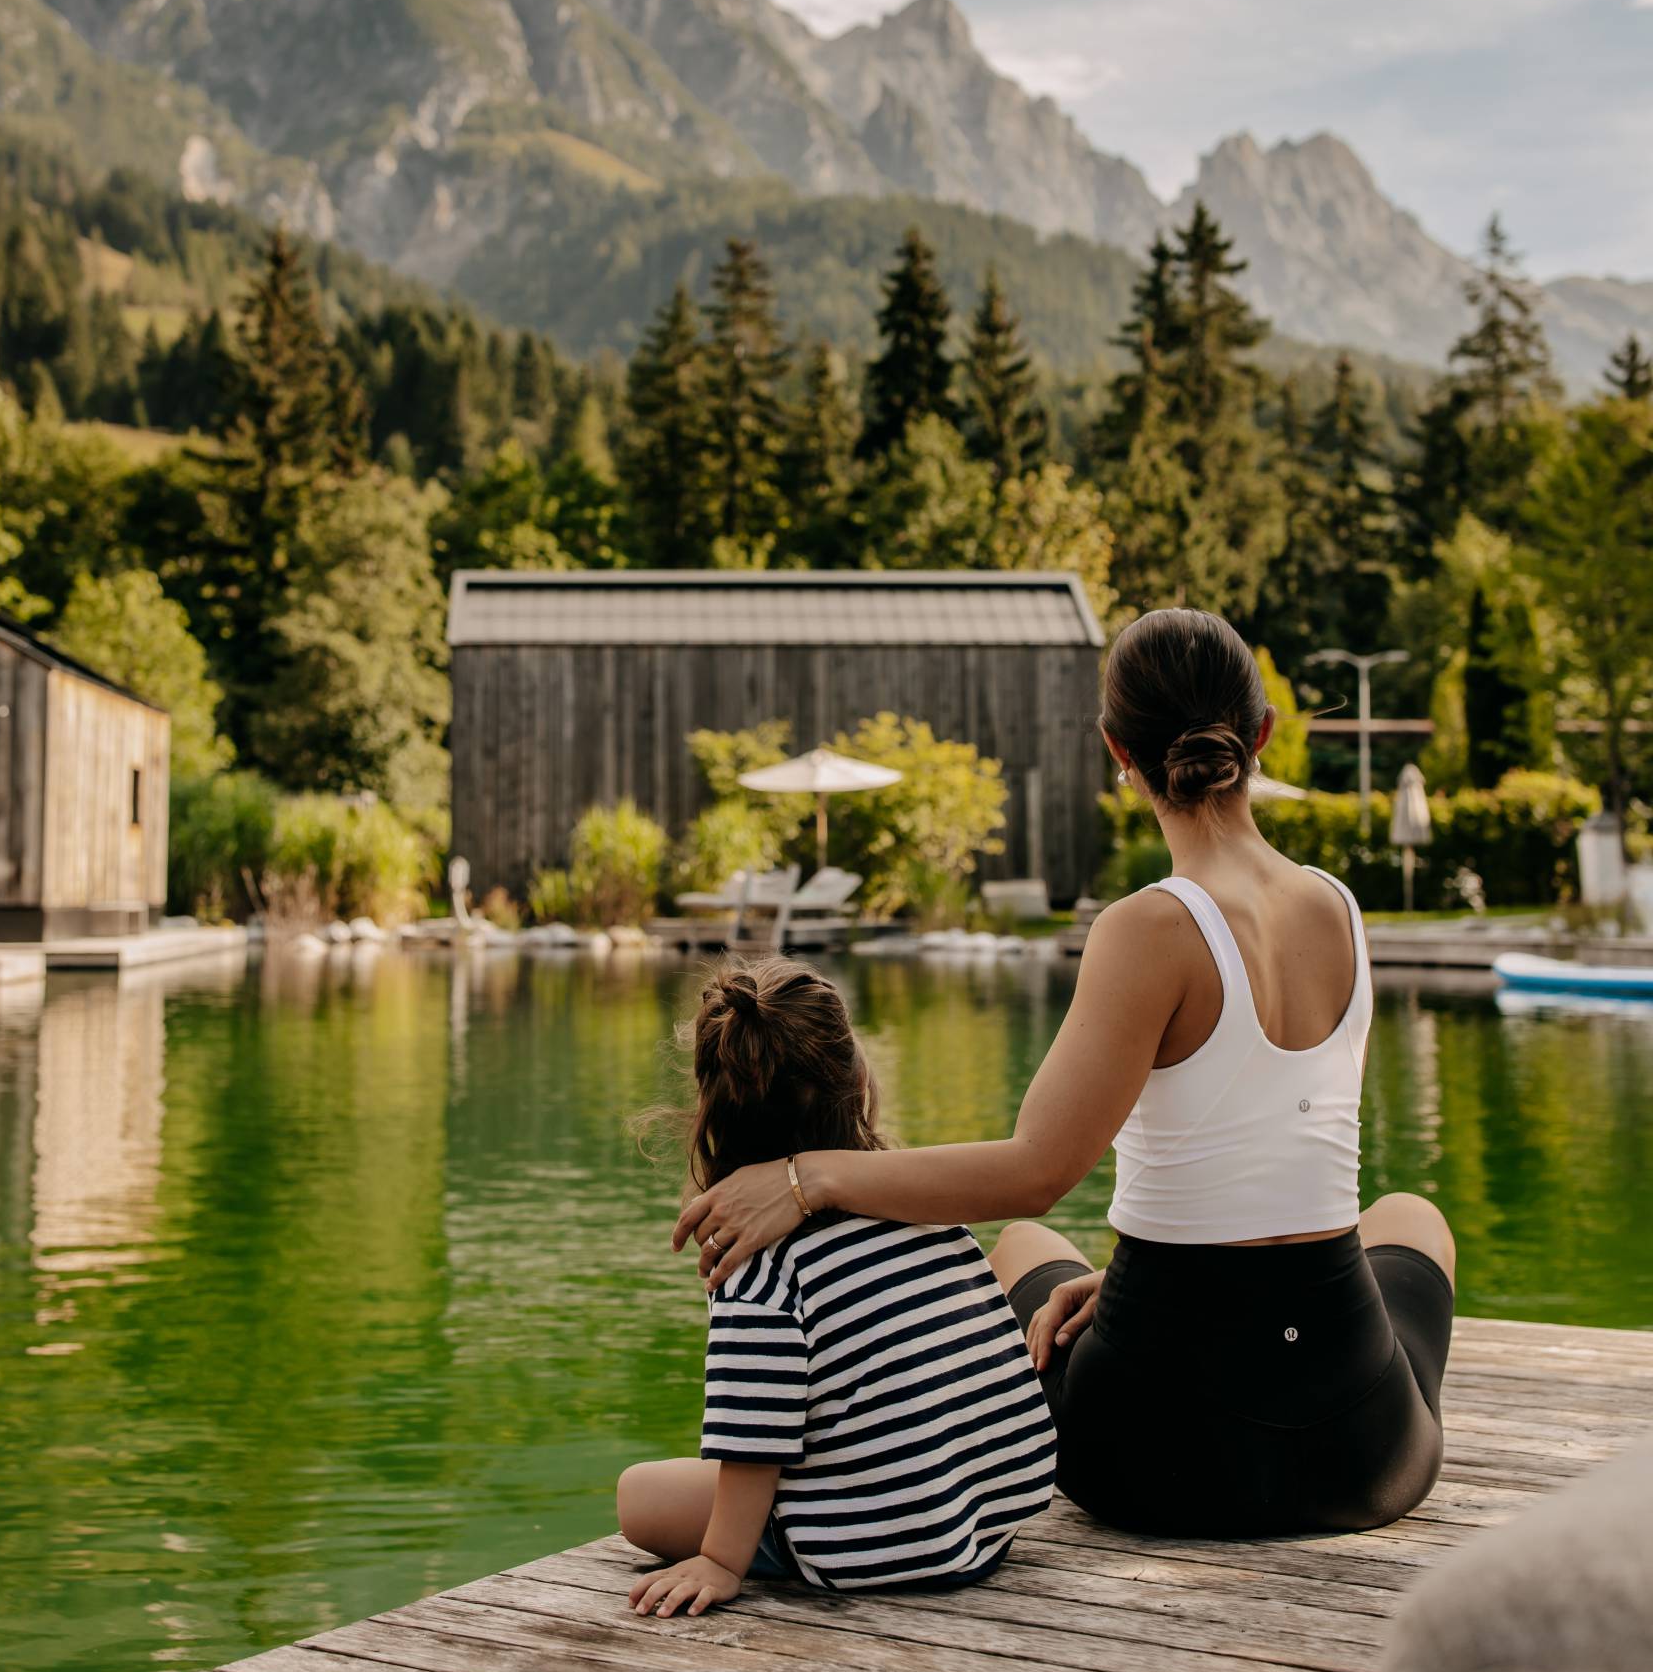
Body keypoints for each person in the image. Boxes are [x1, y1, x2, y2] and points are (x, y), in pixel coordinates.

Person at [676, 609, 1456, 1540]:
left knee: (1024, 1244)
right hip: (1363, 1458)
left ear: (1116, 750)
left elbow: (1036, 1173)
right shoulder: (1339, 906)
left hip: (1157, 1461)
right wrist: (1131, 1275)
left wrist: (810, 1178)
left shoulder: (1150, 928)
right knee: (1412, 1218)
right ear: (1262, 736)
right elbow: (1270, 1163)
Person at [619, 955, 1056, 1613]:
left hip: (874, 1544)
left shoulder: (761, 1267)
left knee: (638, 1496)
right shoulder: (921, 1203)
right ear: (859, 1080)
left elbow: (754, 1441)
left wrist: (718, 1560)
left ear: (713, 1111)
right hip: (991, 1518)